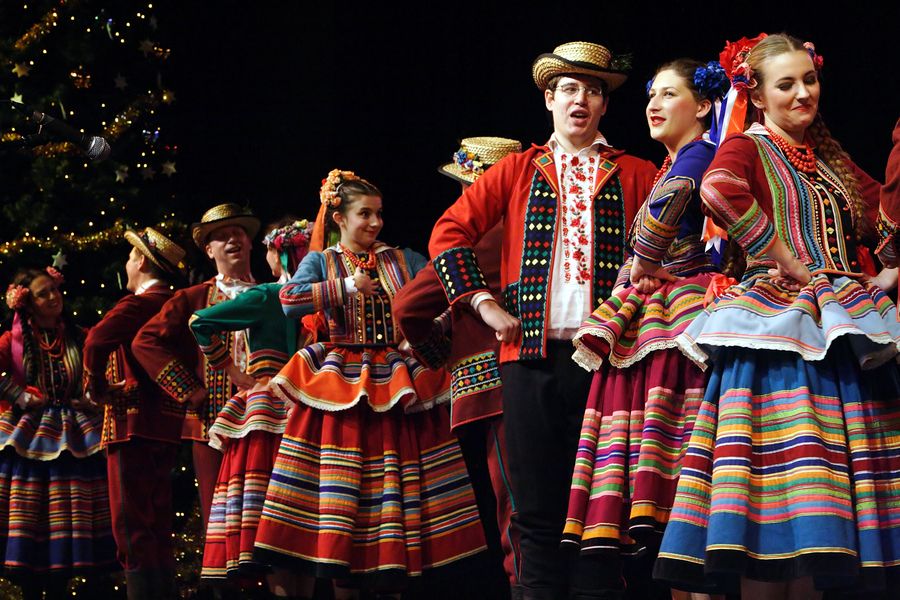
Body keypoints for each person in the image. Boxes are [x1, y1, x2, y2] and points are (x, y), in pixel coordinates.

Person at [652, 34, 900, 599]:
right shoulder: (749, 146)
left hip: (841, 329)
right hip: (777, 332)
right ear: (758, 96)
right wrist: (784, 257)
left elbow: (883, 214)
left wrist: (890, 270)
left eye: (809, 80)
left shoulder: (829, 160)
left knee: (828, 517)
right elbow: (718, 189)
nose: (803, 93)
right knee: (775, 508)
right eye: (786, 84)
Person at [428, 42, 656, 599]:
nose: (581, 99)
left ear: (604, 105)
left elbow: (671, 250)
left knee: (605, 515)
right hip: (528, 362)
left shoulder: (637, 172)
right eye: (569, 89)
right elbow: (448, 234)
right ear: (550, 99)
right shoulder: (517, 169)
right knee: (534, 512)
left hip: (608, 364)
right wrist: (482, 304)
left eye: (593, 90)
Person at [253, 170, 486, 599]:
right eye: (364, 214)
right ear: (339, 218)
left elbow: (443, 293)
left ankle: (393, 571)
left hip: (396, 383)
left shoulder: (403, 258)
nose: (375, 223)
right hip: (342, 382)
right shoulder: (323, 261)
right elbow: (289, 301)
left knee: (393, 491)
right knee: (344, 493)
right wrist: (346, 286)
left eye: (379, 214)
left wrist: (424, 327)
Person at [562, 58, 728, 599]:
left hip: (680, 317)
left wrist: (642, 261)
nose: (654, 105)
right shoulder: (676, 161)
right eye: (651, 95)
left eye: (669, 94)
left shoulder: (699, 155)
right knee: (675, 511)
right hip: (660, 314)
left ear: (703, 106)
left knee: (683, 477)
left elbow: (663, 217)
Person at [394, 136, 524, 597]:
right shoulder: (539, 229)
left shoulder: (472, 243)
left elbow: (407, 307)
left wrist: (437, 354)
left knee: (514, 506)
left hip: (491, 387)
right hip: (563, 374)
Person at [191, 218, 315, 599]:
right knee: (301, 524)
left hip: (275, 411)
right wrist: (232, 372)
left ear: (277, 255)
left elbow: (200, 323)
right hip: (305, 411)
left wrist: (232, 371)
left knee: (278, 525)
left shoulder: (271, 295)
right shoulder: (317, 298)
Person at [132, 203, 260, 530]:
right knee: (219, 518)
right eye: (222, 236)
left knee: (265, 517)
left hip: (265, 419)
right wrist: (189, 389)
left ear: (249, 243)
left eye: (238, 233)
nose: (232, 240)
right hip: (212, 424)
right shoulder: (194, 298)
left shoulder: (271, 294)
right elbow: (145, 342)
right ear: (209, 250)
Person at [83, 227, 188, 600]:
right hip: (167, 423)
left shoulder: (140, 303)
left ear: (141, 261)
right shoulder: (175, 303)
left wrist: (95, 384)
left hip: (132, 422)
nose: (127, 264)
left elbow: (96, 340)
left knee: (130, 522)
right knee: (157, 520)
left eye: (130, 257)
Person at [0, 267, 116, 599]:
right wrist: (18, 395)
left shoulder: (79, 336)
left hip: (75, 431)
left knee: (71, 511)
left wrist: (91, 397)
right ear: (27, 302)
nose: (53, 297)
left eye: (54, 289)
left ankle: (63, 579)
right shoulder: (12, 341)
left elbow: (101, 372)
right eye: (43, 293)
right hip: (30, 431)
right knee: (30, 511)